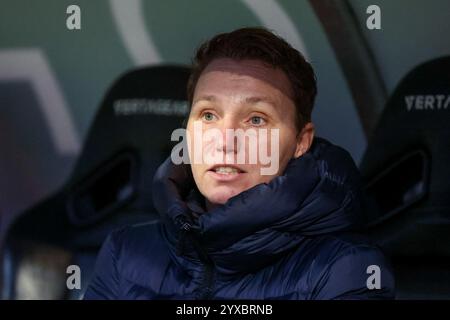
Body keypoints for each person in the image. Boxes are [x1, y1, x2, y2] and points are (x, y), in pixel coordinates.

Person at [84, 27, 395, 300]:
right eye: (208, 115)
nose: (225, 141)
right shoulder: (124, 251)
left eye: (256, 120)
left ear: (301, 141)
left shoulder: (345, 268)